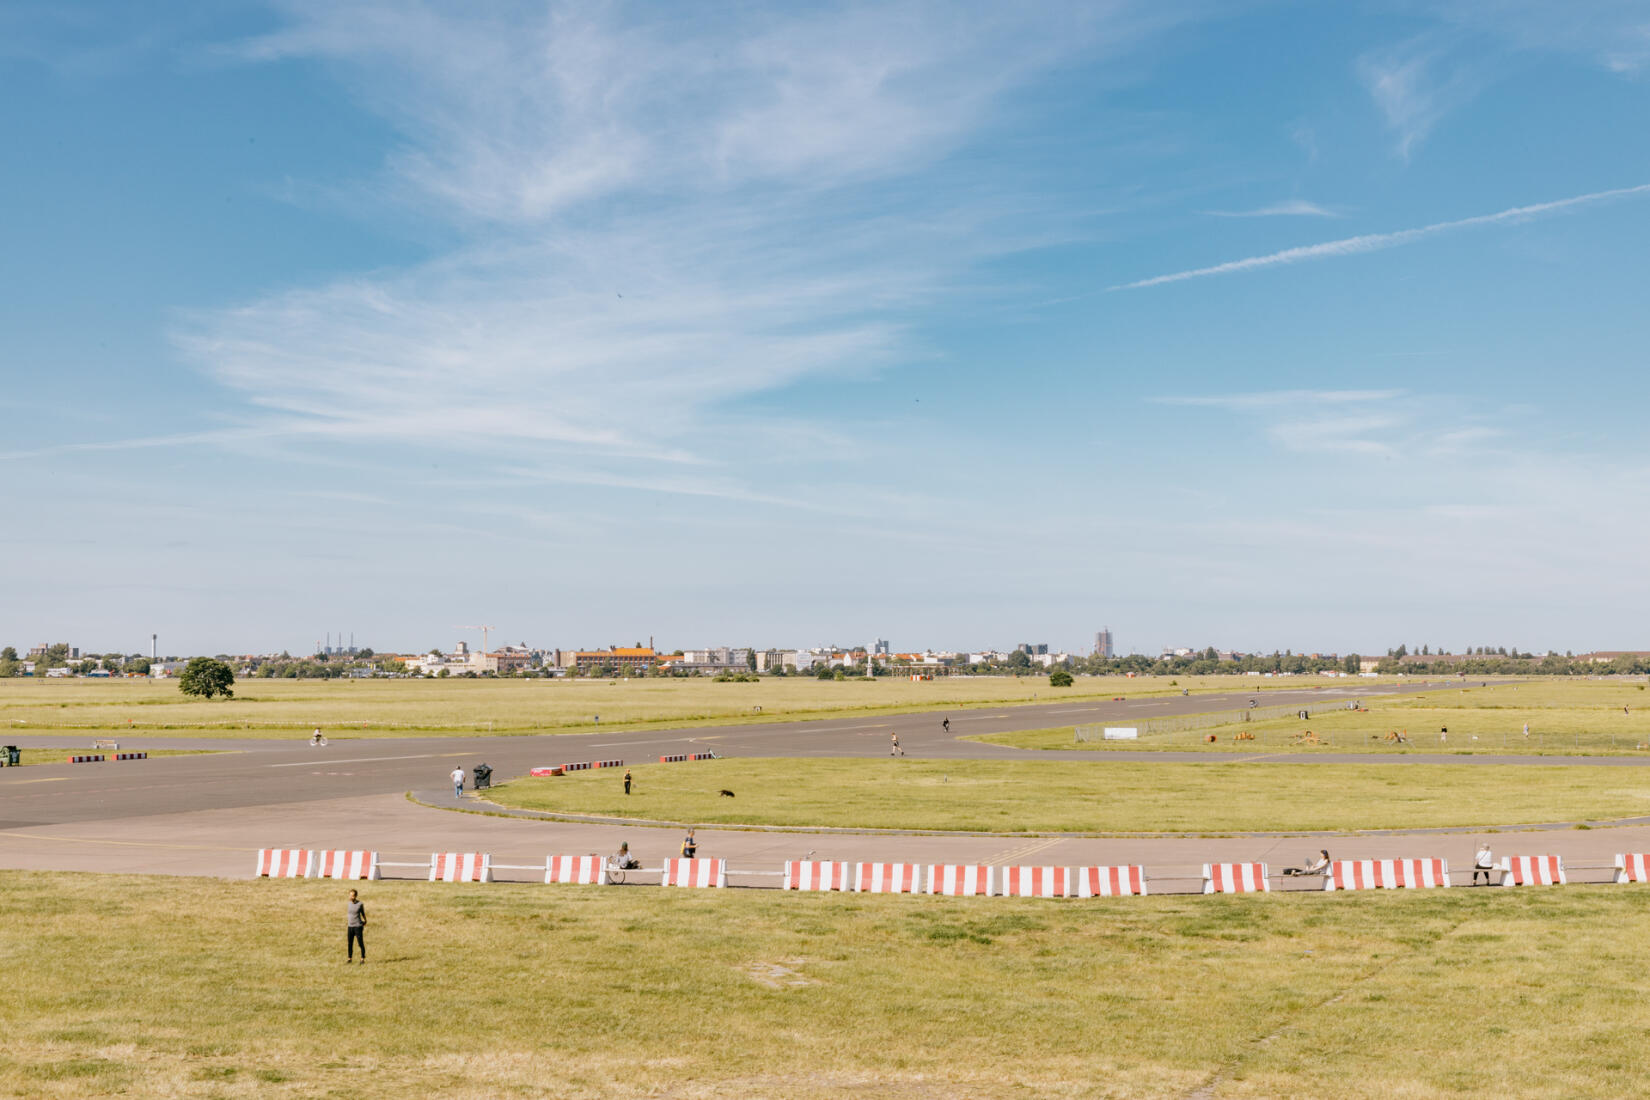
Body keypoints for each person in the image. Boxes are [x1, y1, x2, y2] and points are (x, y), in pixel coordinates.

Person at [346, 888, 367, 963]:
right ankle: (349, 958)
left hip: (358, 926)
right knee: (350, 943)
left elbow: (362, 913)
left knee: (360, 943)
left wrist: (365, 920)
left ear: (355, 896)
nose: (351, 897)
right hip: (350, 926)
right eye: (350, 895)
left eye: (352, 896)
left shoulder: (360, 904)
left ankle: (362, 958)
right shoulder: (348, 904)